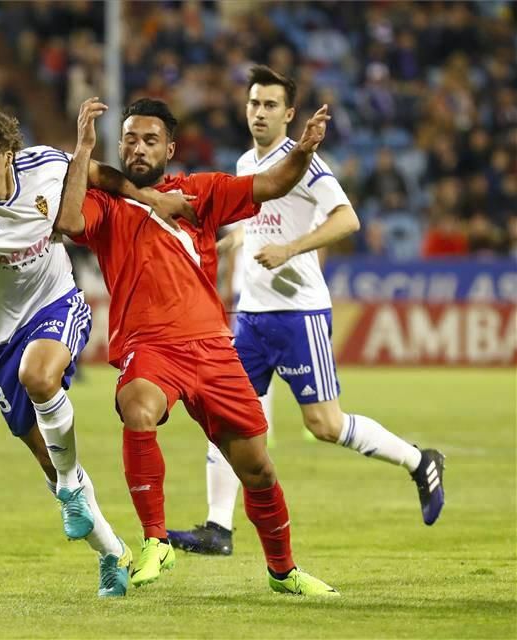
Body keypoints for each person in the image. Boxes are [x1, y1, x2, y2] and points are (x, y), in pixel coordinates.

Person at [0, 96, 194, 598]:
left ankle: (71, 487)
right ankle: (111, 552)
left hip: (57, 302)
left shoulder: (45, 165)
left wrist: (151, 199)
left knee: (40, 375)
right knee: (46, 458)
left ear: (7, 152)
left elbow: (98, 176)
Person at [55, 95, 339, 596]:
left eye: (149, 140)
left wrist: (305, 151)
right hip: (150, 347)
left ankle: (283, 571)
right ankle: (155, 540)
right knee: (136, 406)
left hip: (212, 348)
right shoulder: (105, 203)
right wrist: (83, 147)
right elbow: (69, 221)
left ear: (170, 148)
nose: (137, 148)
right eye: (129, 139)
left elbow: (272, 184)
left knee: (257, 468)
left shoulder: (199, 193)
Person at [167, 66, 446, 556]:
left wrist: (292, 248)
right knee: (225, 416)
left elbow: (348, 219)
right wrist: (220, 241)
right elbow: (254, 227)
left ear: (289, 114)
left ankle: (420, 460)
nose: (259, 112)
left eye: (270, 105)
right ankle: (218, 528)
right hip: (251, 316)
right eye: (254, 103)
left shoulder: (305, 163)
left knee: (325, 425)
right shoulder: (243, 162)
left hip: (299, 314)